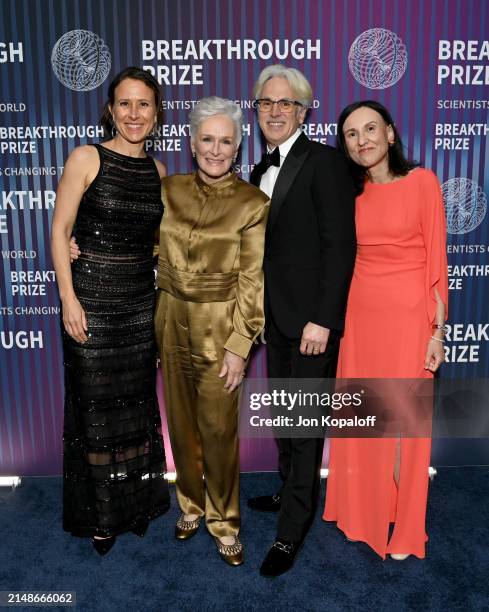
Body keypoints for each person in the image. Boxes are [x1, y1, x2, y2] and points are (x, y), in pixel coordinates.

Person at [51, 67, 170, 556]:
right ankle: (102, 517)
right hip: (92, 307)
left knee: (135, 411)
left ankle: (134, 506)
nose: (134, 114)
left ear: (157, 112)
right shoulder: (86, 157)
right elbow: (61, 231)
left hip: (141, 306)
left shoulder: (159, 172)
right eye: (125, 103)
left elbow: (158, 243)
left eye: (144, 104)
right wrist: (68, 299)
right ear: (110, 109)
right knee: (97, 414)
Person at [323, 100, 448, 560]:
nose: (363, 140)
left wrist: (437, 333)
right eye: (352, 134)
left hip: (409, 318)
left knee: (406, 426)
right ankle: (363, 511)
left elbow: (437, 261)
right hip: (360, 319)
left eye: (371, 129)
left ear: (391, 134)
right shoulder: (349, 195)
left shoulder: (422, 182)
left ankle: (405, 527)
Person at [247, 65, 356, 576]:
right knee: (285, 421)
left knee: (304, 425)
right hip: (273, 320)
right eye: (266, 103)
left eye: (285, 104)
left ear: (304, 110)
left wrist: (323, 320)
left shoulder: (325, 163)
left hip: (311, 324)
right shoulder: (256, 170)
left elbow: (339, 248)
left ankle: (291, 531)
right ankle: (291, 492)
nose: (274, 111)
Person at [155, 97, 270, 566]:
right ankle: (189, 504)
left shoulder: (253, 202)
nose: (216, 150)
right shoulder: (167, 189)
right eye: (208, 139)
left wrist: (240, 347)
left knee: (219, 431)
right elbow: (135, 239)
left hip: (221, 327)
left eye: (226, 141)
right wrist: (83, 246)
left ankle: (224, 520)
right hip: (168, 321)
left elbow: (252, 279)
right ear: (192, 141)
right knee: (180, 427)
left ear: (238, 147)